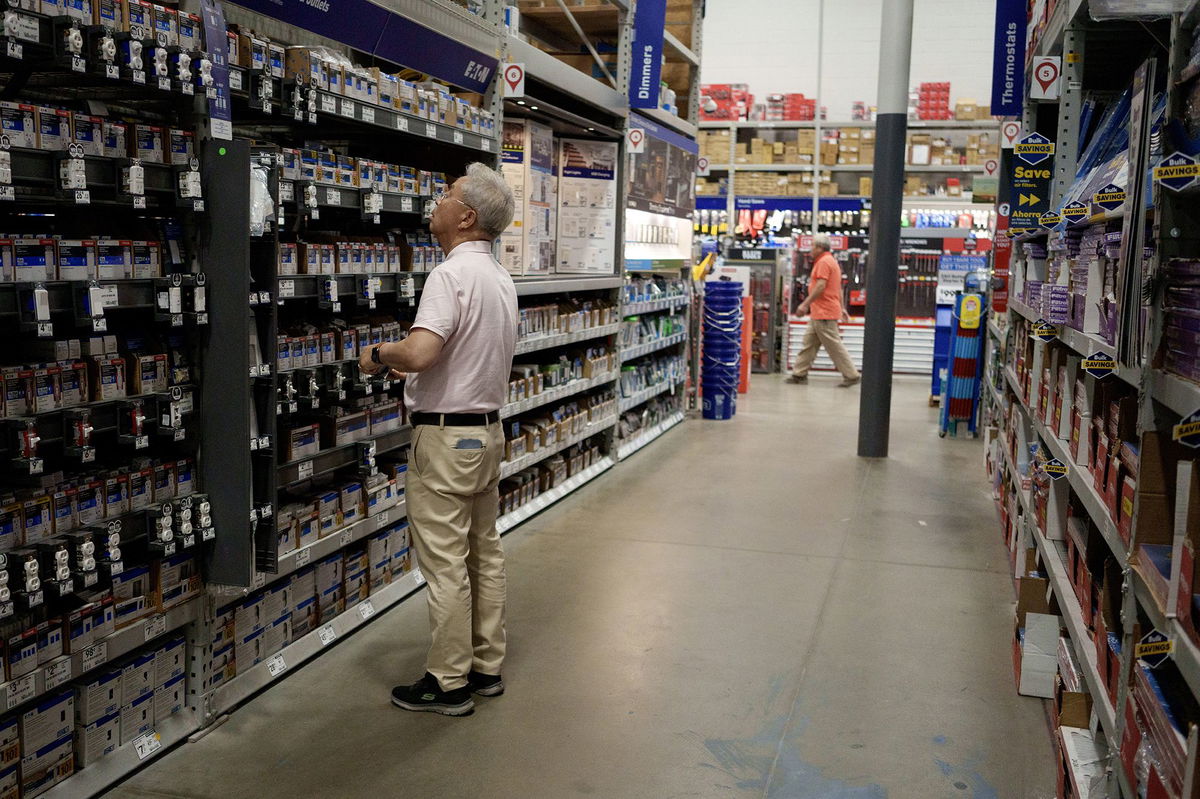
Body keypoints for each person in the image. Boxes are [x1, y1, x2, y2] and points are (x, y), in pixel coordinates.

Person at [358, 162, 517, 717]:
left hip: (446, 442)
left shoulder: (449, 276)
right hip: (488, 432)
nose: (437, 202)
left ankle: (447, 683)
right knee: (484, 553)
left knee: (446, 564)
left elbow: (422, 352)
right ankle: (484, 666)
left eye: (446, 196)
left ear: (466, 216)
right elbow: (467, 356)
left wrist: (380, 356)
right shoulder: (499, 278)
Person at [786, 233, 861, 387]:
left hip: (824, 312)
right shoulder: (830, 261)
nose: (810, 249)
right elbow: (838, 287)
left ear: (820, 247)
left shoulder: (824, 262)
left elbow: (821, 286)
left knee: (834, 345)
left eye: (812, 246)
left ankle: (851, 375)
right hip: (820, 312)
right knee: (809, 343)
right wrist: (842, 307)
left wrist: (805, 304)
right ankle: (799, 374)